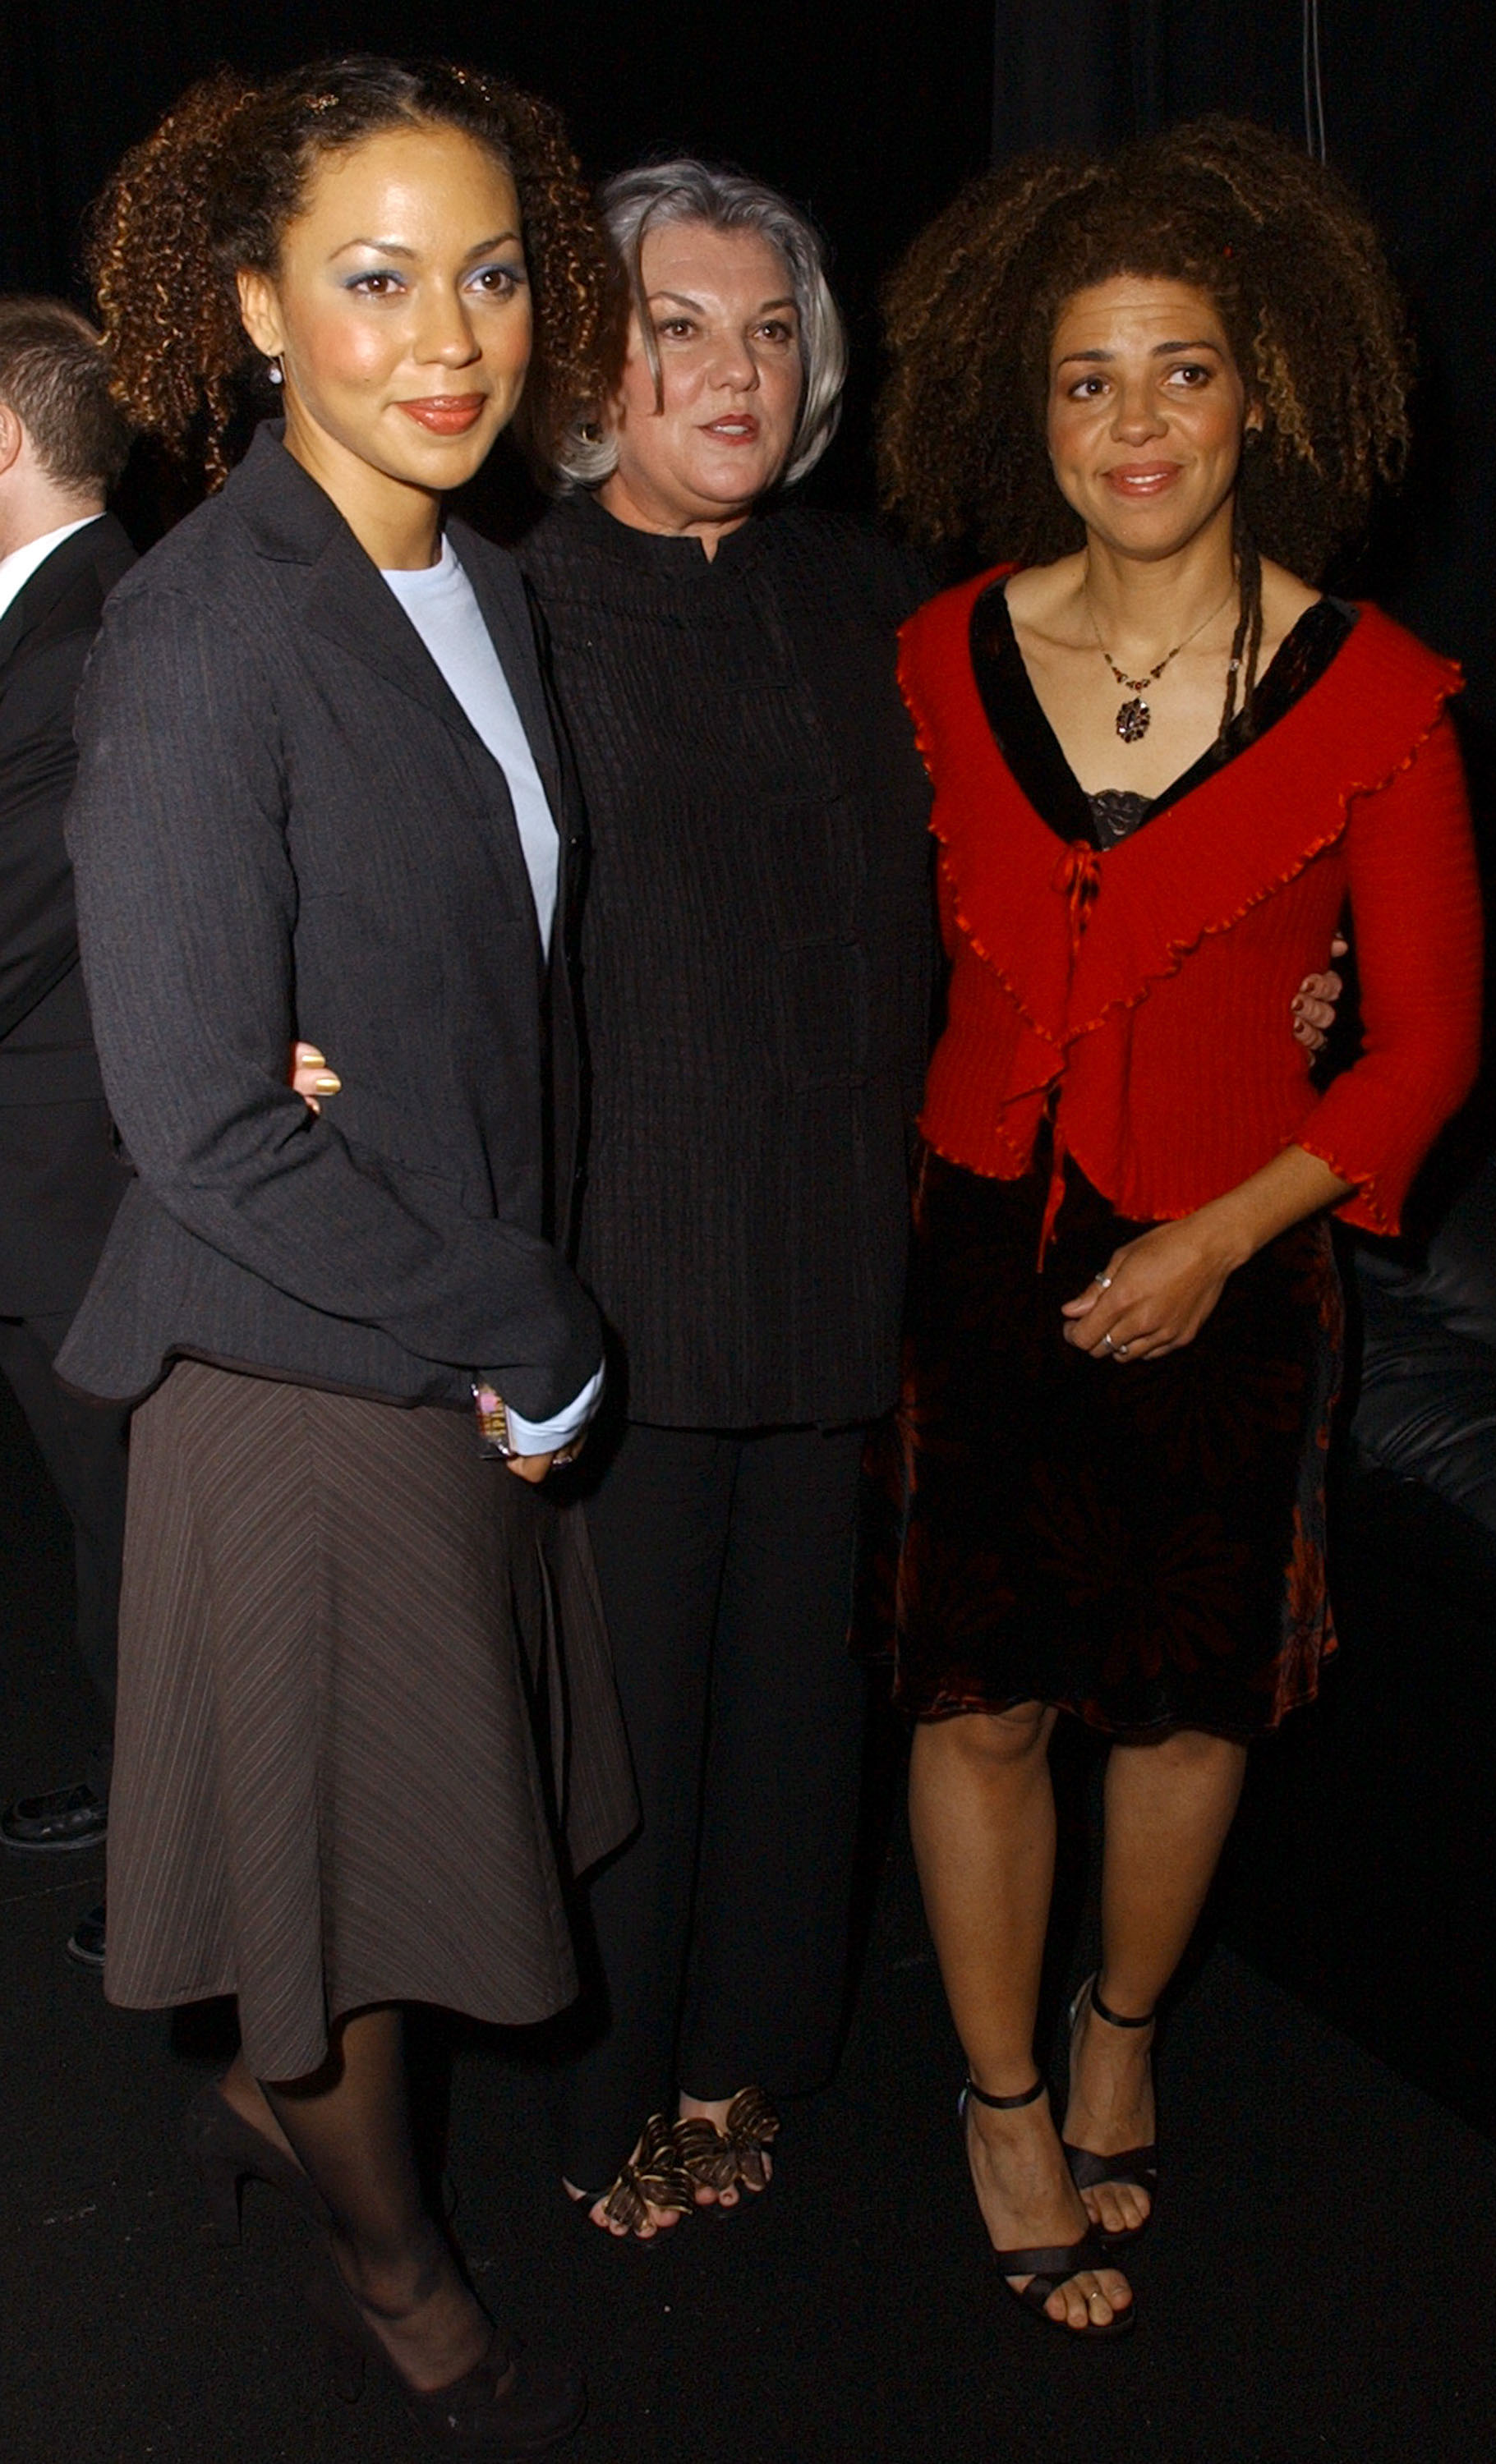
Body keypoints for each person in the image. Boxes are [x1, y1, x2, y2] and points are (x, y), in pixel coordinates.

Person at [62, 57, 633, 2454]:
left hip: (436, 1330)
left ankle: (271, 2117)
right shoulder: (206, 628)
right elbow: (196, 1110)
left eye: (492, 270)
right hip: (309, 1383)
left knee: (374, 1870)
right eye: (378, 277)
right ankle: (384, 2262)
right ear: (258, 307)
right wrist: (528, 1318)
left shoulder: (479, 581)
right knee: (361, 1893)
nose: (452, 334)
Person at [871, 119, 1482, 2334]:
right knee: (979, 1704)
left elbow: (1417, 1055)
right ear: (1024, 414)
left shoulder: (1386, 703)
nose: (1136, 425)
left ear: (1267, 393)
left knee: (1192, 1707)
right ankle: (1002, 2089)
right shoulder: (929, 658)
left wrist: (1219, 1237)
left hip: (1235, 1263)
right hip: (970, 1260)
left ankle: (1124, 2025)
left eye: (1184, 372)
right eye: (1086, 382)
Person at [516, 160, 937, 2234]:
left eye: (772, 328)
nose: (735, 367)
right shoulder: (513, 604)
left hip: (843, 1249)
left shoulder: (865, 594)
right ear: (596, 357)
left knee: (795, 1716)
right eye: (680, 323)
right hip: (625, 1275)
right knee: (631, 1725)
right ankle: (601, 2104)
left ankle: (743, 2071)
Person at [0, 298, 135, 1965]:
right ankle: (139, 1783)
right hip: (36, 1198)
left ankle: (184, 1860)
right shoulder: (39, 620)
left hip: (84, 1200)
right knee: (107, 1528)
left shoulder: (97, 629)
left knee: (141, 1536)